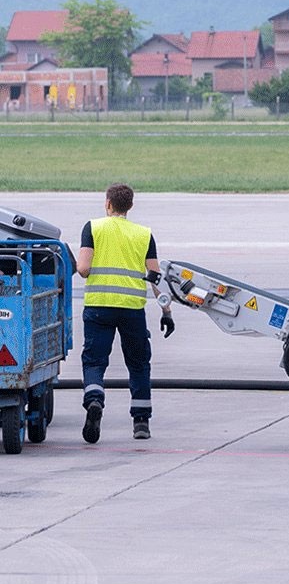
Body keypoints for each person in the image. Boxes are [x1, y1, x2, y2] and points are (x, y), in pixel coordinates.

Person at [76, 183, 174, 443]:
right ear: (130, 206)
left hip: (99, 306)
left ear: (108, 203)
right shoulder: (144, 234)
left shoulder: (93, 228)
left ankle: (94, 400)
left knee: (95, 361)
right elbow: (155, 278)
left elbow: (84, 268)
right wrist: (166, 311)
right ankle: (141, 421)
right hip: (132, 309)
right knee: (139, 363)